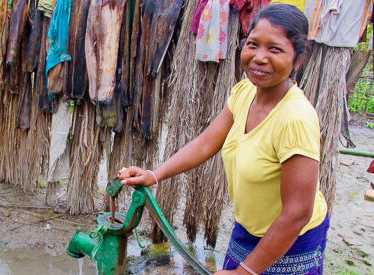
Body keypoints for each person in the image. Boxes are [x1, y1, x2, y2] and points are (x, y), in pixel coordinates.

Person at [117, 4, 329, 274]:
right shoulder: (244, 91)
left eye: (274, 49)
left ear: (298, 58)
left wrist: (244, 272)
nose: (259, 57)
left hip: (292, 239)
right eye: (253, 44)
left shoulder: (295, 118)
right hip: (248, 230)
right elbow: (207, 142)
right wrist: (153, 175)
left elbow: (297, 213)